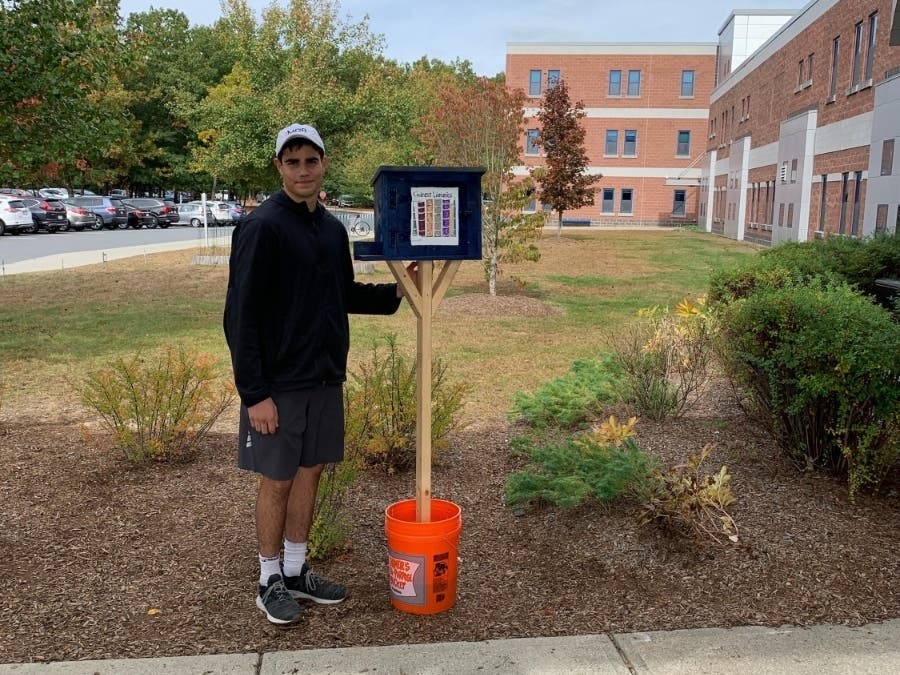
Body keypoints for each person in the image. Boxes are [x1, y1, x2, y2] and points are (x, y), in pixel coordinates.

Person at [224, 123, 416, 625]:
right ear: (279, 167)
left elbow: (342, 295)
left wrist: (398, 290)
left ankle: (295, 570)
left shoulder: (331, 230)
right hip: (278, 385)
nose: (303, 170)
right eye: (293, 162)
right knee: (278, 479)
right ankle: (268, 580)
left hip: (325, 377)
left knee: (310, 473)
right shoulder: (261, 226)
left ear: (324, 164)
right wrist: (254, 393)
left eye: (311, 160)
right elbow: (239, 316)